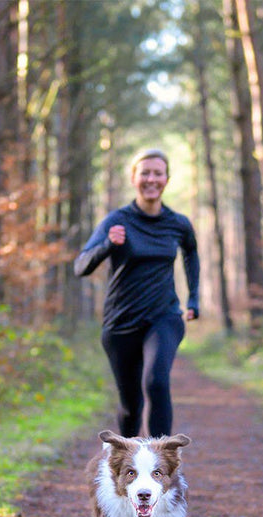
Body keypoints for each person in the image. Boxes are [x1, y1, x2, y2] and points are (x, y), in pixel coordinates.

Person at [74, 148, 200, 439]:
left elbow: (191, 254)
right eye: (145, 173)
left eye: (158, 173)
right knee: (130, 406)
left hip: (164, 316)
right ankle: (127, 467)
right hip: (121, 322)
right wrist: (108, 245)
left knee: (156, 382)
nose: (151, 179)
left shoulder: (178, 223)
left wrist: (193, 298)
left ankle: (163, 469)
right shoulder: (117, 221)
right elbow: (80, 266)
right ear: (134, 178)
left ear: (167, 179)